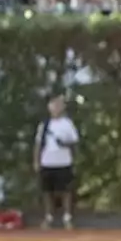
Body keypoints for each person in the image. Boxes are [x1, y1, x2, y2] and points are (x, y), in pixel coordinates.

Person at [34, 95, 80, 229]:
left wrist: (65, 144)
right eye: (53, 105)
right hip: (47, 162)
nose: (55, 108)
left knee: (65, 191)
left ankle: (67, 217)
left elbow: (74, 143)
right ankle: (48, 217)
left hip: (64, 162)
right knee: (47, 191)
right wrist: (36, 161)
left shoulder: (68, 124)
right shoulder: (44, 125)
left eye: (58, 105)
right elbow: (38, 144)